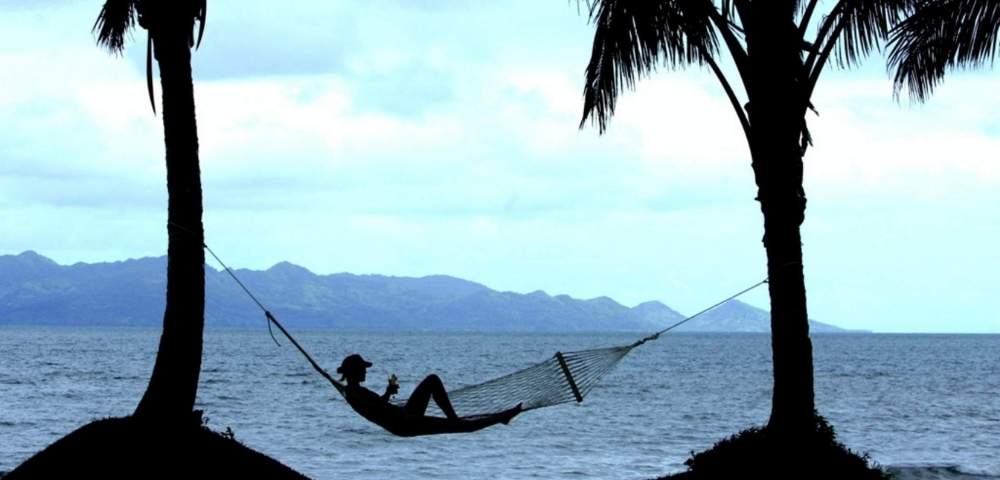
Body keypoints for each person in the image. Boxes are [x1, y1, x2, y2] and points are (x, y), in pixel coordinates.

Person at [336, 353, 522, 436]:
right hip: (403, 423)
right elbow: (375, 409)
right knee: (462, 427)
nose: (366, 372)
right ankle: (500, 418)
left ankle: (455, 419)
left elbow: (378, 406)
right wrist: (387, 396)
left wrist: (388, 393)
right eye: (363, 368)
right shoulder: (354, 393)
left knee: (432, 380)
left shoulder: (355, 390)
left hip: (403, 415)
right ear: (354, 371)